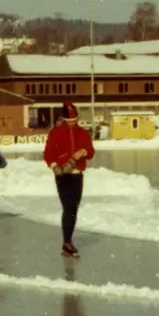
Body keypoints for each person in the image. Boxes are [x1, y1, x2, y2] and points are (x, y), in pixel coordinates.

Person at [43, 101, 95, 257]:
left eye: (74, 120)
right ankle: (67, 242)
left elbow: (91, 152)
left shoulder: (83, 133)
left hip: (77, 175)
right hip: (62, 175)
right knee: (68, 208)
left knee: (73, 209)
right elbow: (48, 154)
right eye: (69, 121)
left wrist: (83, 152)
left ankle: (67, 241)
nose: (72, 123)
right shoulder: (55, 133)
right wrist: (54, 166)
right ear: (64, 119)